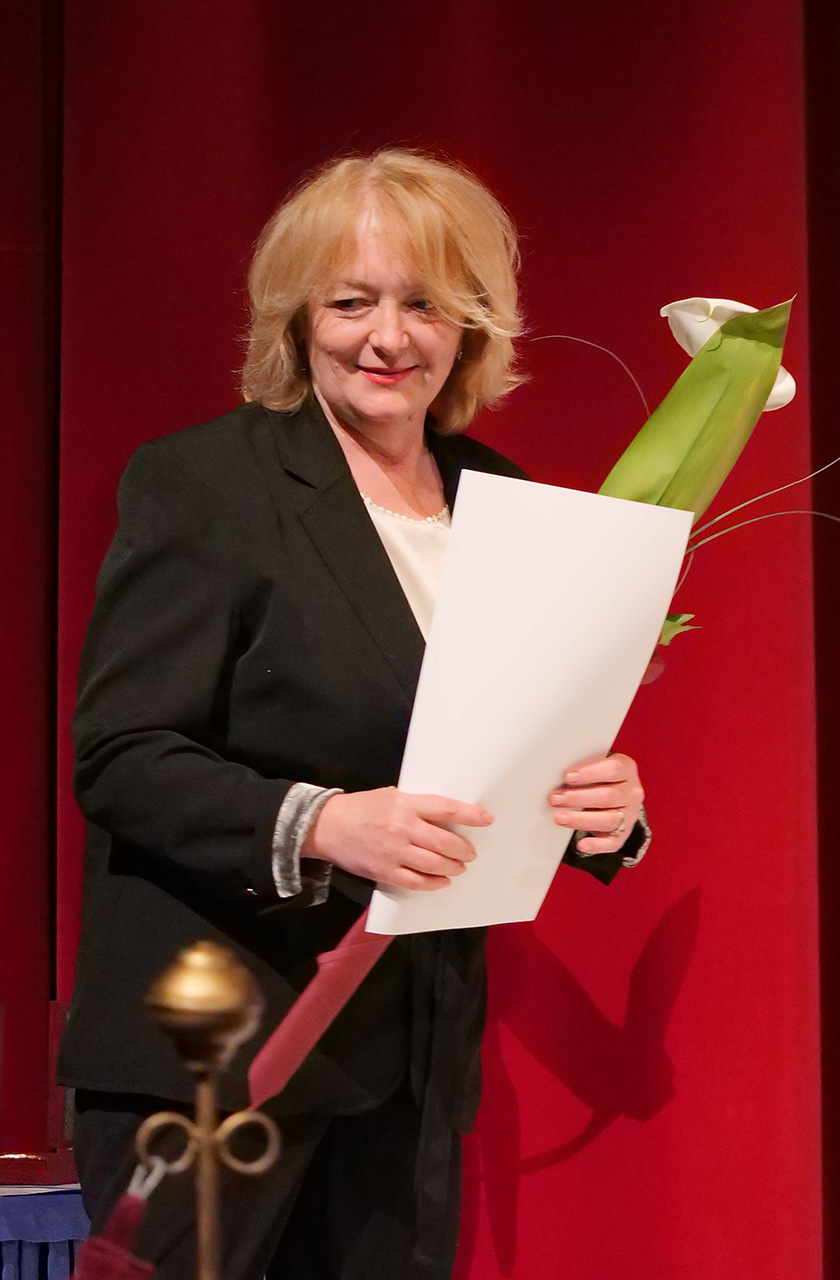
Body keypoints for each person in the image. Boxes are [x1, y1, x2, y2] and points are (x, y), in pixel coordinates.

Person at [59, 149, 650, 1280]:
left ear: (469, 324)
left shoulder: (505, 502)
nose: (388, 337)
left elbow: (502, 751)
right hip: (215, 1057)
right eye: (351, 302)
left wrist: (599, 810)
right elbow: (120, 754)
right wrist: (325, 822)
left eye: (423, 303)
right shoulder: (204, 483)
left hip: (411, 1060)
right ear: (297, 316)